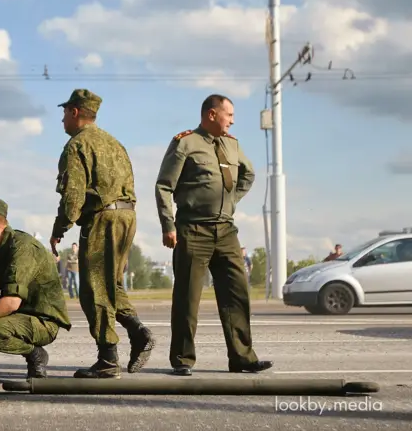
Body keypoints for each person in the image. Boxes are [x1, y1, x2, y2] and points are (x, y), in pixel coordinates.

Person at [155, 93, 273, 376]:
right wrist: (168, 225)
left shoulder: (232, 145)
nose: (232, 121)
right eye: (228, 115)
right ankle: (183, 359)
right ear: (211, 114)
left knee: (237, 293)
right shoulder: (185, 142)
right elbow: (163, 186)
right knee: (188, 296)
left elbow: (249, 174)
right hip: (193, 229)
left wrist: (231, 201)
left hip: (226, 230)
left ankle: (242, 357)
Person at [50, 88, 156, 379]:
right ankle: (138, 333)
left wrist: (59, 228)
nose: (62, 120)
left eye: (64, 113)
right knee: (111, 284)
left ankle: (108, 358)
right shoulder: (115, 143)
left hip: (103, 219)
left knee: (93, 289)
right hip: (126, 215)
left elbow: (73, 197)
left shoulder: (77, 146)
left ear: (74, 113)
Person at [0, 197, 71, 383]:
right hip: (20, 315)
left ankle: (35, 354)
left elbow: (11, 302)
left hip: (42, 321)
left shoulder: (22, 247)